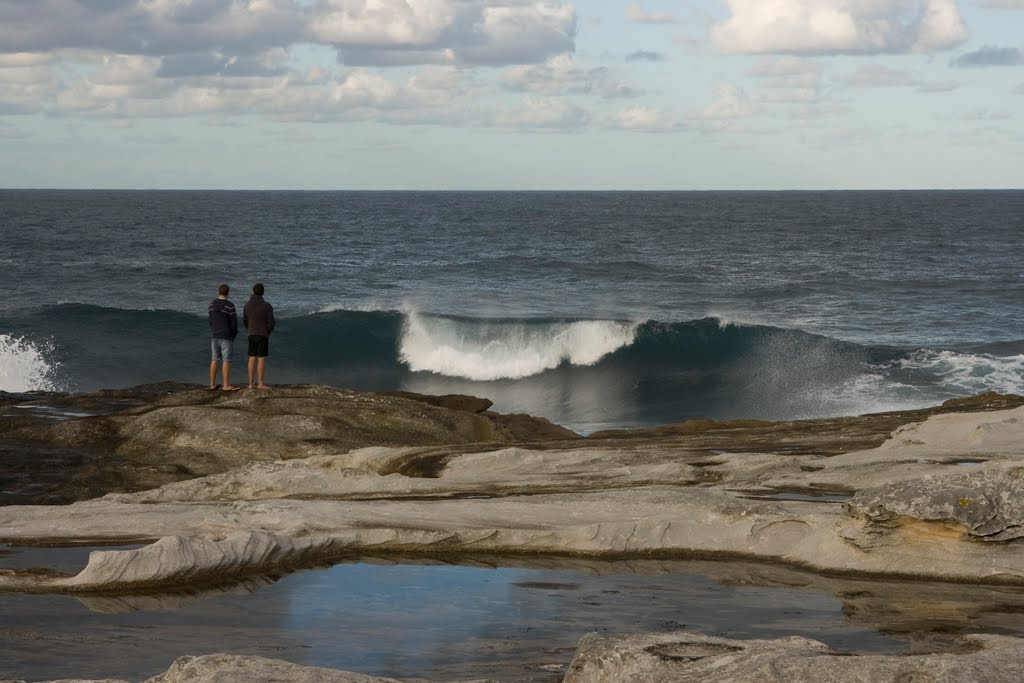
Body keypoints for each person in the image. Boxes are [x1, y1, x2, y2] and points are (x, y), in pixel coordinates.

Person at [243, 282, 275, 390]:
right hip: (262, 334)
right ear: (263, 292)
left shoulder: (247, 305)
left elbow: (245, 321)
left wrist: (250, 329)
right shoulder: (267, 306)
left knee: (252, 357)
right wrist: (267, 332)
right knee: (261, 358)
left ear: (253, 291)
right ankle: (260, 383)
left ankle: (251, 384)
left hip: (251, 333)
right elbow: (271, 323)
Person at [208, 283, 239, 391]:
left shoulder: (211, 305)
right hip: (226, 336)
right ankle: (226, 385)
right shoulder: (230, 305)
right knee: (226, 360)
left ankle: (212, 384)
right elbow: (234, 324)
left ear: (219, 292)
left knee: (214, 360)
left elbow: (210, 321)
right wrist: (233, 335)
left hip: (215, 335)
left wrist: (214, 331)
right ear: (228, 293)